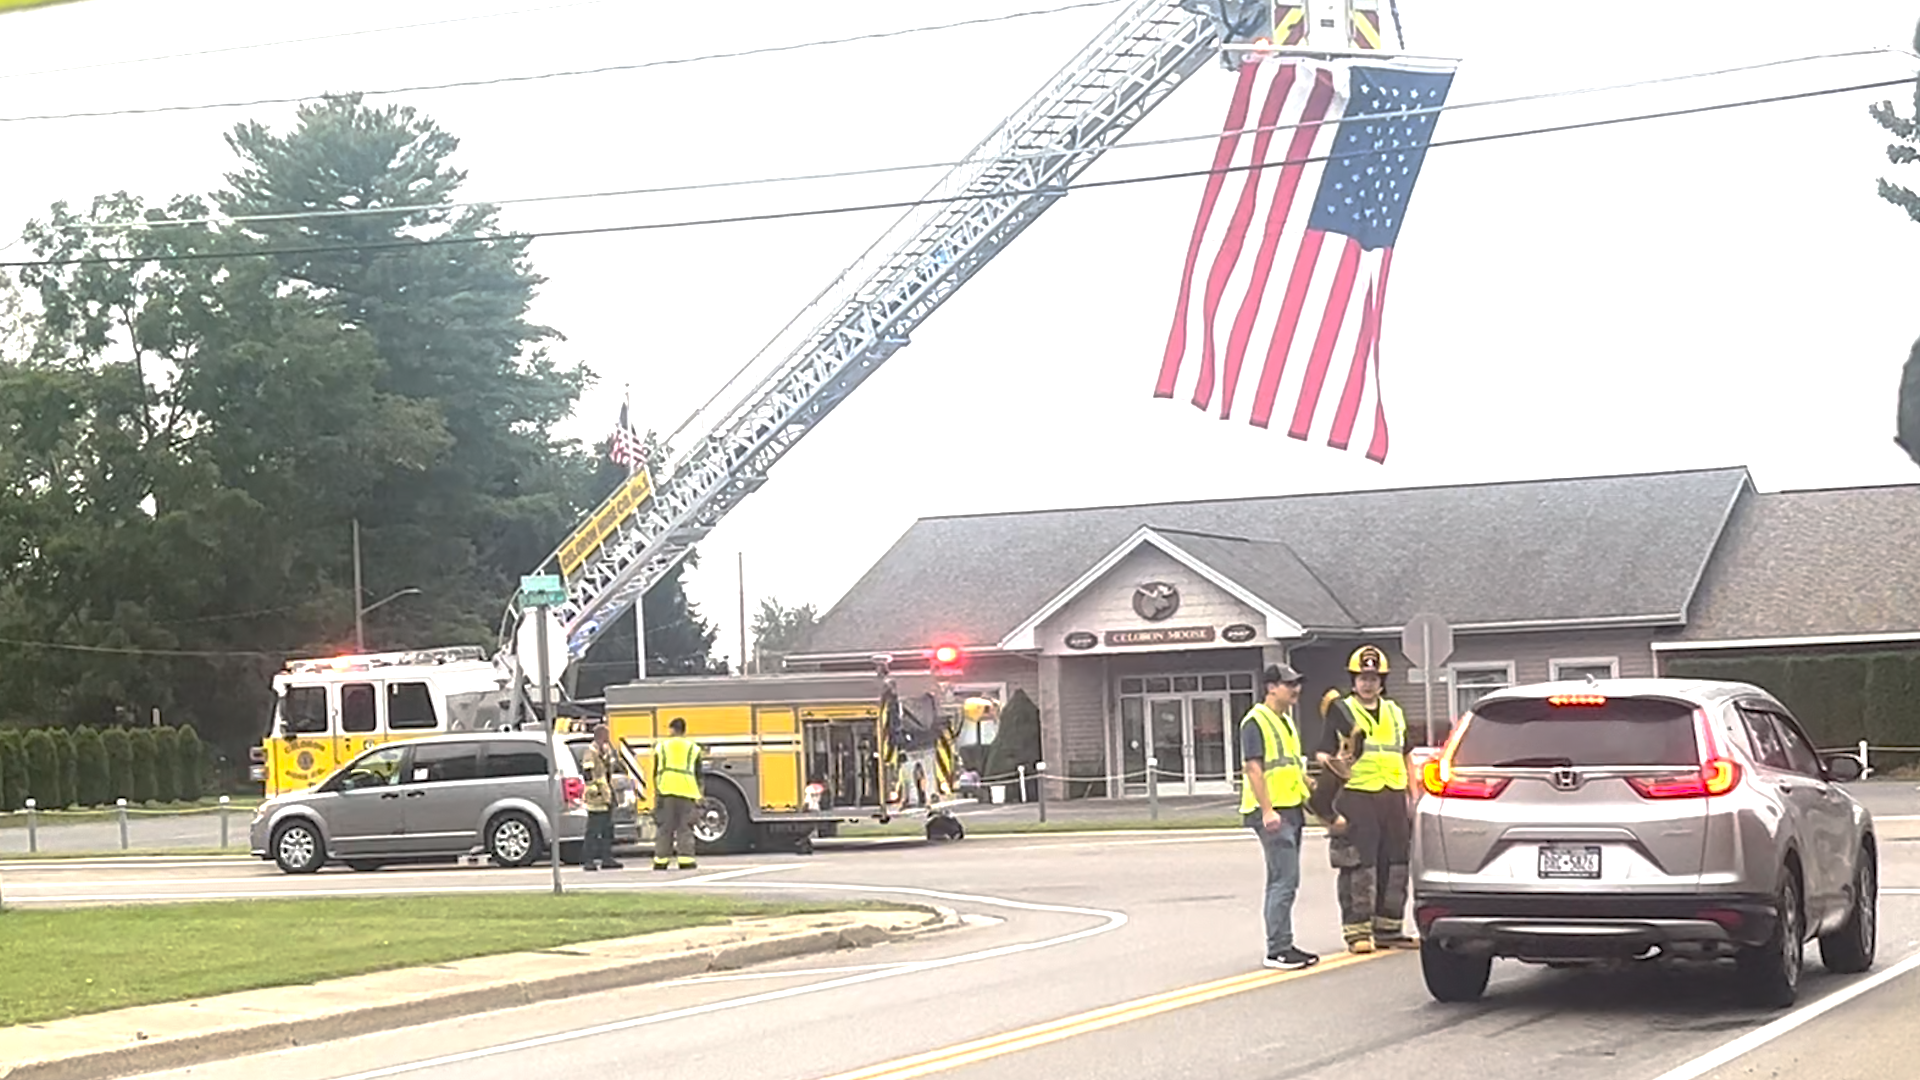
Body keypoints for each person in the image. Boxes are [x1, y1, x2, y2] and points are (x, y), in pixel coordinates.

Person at [1316, 644, 1416, 953]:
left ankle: (1389, 928)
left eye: (1373, 678)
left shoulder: (1394, 711)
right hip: (1357, 795)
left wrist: (1413, 794)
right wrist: (1336, 762)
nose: (1368, 684)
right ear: (1354, 681)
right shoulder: (1342, 711)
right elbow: (1322, 753)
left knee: (1396, 862)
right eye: (1362, 678)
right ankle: (1357, 931)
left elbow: (1406, 753)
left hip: (1393, 793)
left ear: (1382, 682)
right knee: (1359, 863)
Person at [1240, 662, 1320, 971]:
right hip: (1274, 813)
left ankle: (1284, 944)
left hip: (1291, 807)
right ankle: (1277, 949)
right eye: (1289, 684)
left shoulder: (1285, 721)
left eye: (1297, 683)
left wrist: (1307, 783)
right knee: (1282, 880)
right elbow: (1254, 768)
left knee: (1288, 879)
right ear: (1271, 687)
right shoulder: (1256, 721)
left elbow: (1289, 765)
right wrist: (1267, 810)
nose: (1295, 689)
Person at [651, 717, 704, 871]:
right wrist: (700, 795)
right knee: (685, 828)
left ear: (672, 729)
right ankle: (686, 860)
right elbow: (699, 774)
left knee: (665, 828)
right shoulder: (693, 748)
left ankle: (661, 861)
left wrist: (657, 792)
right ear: (684, 730)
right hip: (687, 793)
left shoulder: (662, 747)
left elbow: (656, 772)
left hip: (666, 791)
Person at [581, 723, 624, 872]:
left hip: (606, 794)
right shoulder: (590, 751)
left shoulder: (605, 750)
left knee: (607, 829)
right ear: (600, 735)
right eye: (606, 734)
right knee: (593, 830)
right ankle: (589, 860)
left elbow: (610, 769)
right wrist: (592, 788)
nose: (608, 737)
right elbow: (587, 772)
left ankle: (607, 859)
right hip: (596, 795)